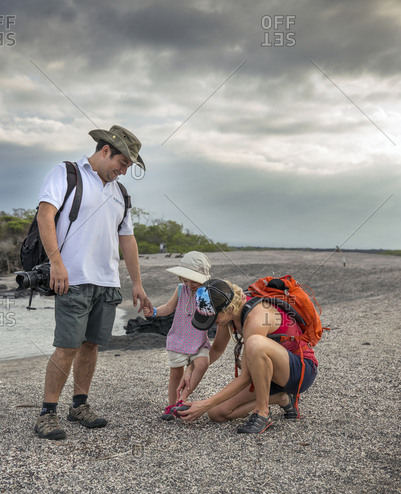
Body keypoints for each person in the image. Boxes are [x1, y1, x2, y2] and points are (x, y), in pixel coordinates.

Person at [34, 125, 151, 440]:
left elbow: (127, 239)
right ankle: (47, 414)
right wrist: (56, 263)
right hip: (73, 278)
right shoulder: (66, 173)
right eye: (122, 163)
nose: (123, 171)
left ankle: (79, 405)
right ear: (105, 151)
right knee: (67, 346)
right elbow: (45, 216)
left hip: (107, 281)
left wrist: (136, 283)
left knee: (91, 345)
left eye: (127, 166)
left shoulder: (120, 193)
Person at [179, 279, 318, 434]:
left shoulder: (256, 317)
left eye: (213, 318)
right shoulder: (229, 315)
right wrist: (190, 368)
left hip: (299, 371)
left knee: (254, 343)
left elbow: (247, 377)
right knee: (216, 412)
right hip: (267, 375)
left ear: (229, 308)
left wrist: (205, 403)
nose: (212, 323)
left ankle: (262, 413)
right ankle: (281, 398)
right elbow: (217, 350)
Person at [143, 252, 212, 420]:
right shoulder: (181, 289)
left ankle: (183, 399)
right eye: (186, 280)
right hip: (179, 337)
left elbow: (209, 315)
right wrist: (154, 312)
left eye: (194, 280)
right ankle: (171, 405)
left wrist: (205, 296)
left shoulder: (206, 292)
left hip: (198, 339)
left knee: (202, 363)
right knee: (175, 374)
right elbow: (169, 307)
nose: (190, 284)